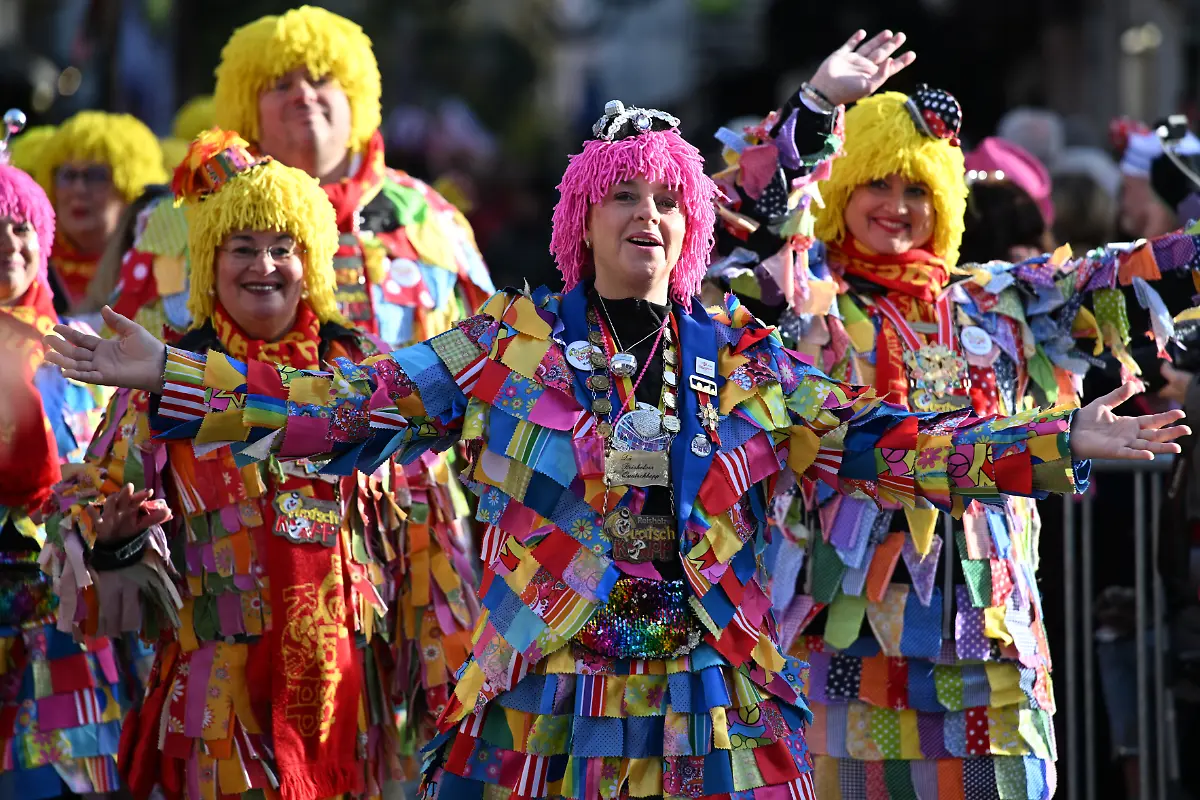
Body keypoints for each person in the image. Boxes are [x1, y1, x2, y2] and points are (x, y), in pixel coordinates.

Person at [43, 34, 1188, 800]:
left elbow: (890, 441)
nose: (649, 216)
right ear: (581, 222)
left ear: (692, 231)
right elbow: (341, 407)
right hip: (547, 692)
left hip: (708, 700)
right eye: (625, 197)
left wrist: (1061, 442)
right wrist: (168, 378)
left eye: (668, 201)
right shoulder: (505, 343)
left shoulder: (741, 357)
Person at [704, 72, 1200, 796]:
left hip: (986, 651)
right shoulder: (806, 303)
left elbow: (1139, 275)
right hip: (836, 651)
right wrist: (813, 110)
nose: (898, 209)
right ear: (843, 192)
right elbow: (738, 236)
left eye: (918, 192)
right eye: (878, 185)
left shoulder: (1002, 305)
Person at [43, 129, 475, 799]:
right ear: (209, 265)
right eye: (241, 248)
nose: (264, 266)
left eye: (285, 248)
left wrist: (440, 679)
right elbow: (84, 505)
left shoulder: (362, 371)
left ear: (316, 263)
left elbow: (425, 525)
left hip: (345, 702)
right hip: (219, 702)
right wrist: (115, 541)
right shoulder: (159, 376)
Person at [0, 148, 133, 799]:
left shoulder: (77, 347)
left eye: (21, 227)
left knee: (62, 780)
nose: (8, 245)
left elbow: (110, 461)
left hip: (64, 622)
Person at [34, 111, 166, 316]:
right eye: (68, 175)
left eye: (96, 176)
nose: (78, 189)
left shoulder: (156, 266)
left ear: (128, 187)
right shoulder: (29, 260)